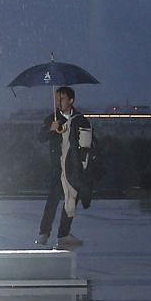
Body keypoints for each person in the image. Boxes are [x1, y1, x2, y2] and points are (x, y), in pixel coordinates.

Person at [36, 86, 93, 246]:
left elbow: (87, 143)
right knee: (53, 200)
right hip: (58, 167)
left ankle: (63, 233)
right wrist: (50, 129)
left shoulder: (80, 119)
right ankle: (44, 233)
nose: (58, 102)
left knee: (71, 199)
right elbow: (40, 137)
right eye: (57, 99)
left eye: (61, 99)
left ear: (71, 100)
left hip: (74, 167)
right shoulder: (52, 119)